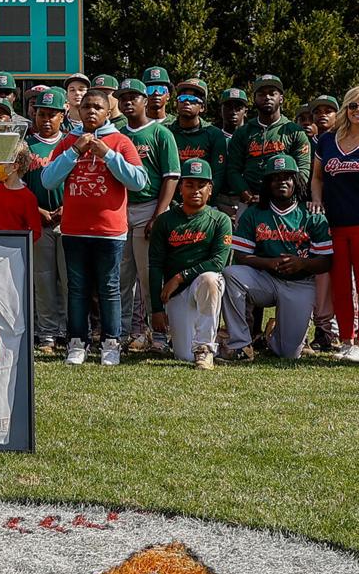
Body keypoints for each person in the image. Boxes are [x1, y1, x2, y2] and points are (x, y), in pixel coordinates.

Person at [37, 86, 147, 366]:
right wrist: (75, 151)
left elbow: (138, 181)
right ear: (77, 111)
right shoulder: (69, 142)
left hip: (110, 231)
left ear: (108, 111)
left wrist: (107, 154)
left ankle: (111, 342)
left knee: (110, 287)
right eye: (86, 107)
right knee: (77, 288)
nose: (91, 112)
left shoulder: (120, 141)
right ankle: (77, 341)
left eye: (97, 107)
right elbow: (48, 179)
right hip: (74, 229)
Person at [309, 84, 359, 363]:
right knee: (341, 285)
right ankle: (346, 340)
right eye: (354, 105)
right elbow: (317, 177)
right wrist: (317, 201)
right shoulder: (328, 141)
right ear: (346, 108)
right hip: (334, 226)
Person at [222, 155, 333, 360]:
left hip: (300, 283)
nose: (281, 182)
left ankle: (273, 334)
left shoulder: (311, 214)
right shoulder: (255, 213)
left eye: (287, 177)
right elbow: (241, 256)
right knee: (231, 274)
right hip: (266, 279)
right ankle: (241, 344)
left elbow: (326, 261)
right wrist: (268, 263)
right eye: (274, 178)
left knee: (288, 354)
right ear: (267, 184)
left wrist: (302, 263)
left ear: (296, 182)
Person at [115, 78, 180, 353]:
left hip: (148, 207)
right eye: (123, 97)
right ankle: (123, 333)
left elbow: (171, 176)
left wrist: (159, 213)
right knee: (120, 276)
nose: (128, 102)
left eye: (134, 97)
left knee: (148, 275)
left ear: (145, 101)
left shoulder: (160, 133)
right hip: (118, 208)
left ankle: (159, 334)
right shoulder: (116, 132)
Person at [148, 158, 232, 369]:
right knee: (184, 356)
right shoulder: (165, 221)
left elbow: (218, 262)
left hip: (200, 285)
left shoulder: (220, 219)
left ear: (210, 189)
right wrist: (157, 309)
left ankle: (205, 348)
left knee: (211, 279)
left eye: (201, 185)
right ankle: (216, 340)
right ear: (180, 188)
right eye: (190, 185)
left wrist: (179, 277)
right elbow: (155, 264)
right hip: (177, 294)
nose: (196, 190)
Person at [26, 87, 71, 352]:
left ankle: (68, 330)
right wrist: (37, 209)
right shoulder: (26, 146)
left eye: (52, 115)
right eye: (42, 113)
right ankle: (47, 333)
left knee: (68, 279)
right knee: (42, 279)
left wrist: (69, 206)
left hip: (68, 218)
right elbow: (17, 183)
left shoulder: (69, 143)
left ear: (62, 116)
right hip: (38, 217)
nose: (46, 119)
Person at [225, 75, 311, 205]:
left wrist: (285, 195)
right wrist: (246, 194)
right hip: (250, 201)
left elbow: (303, 170)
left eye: (272, 93)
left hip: (286, 201)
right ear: (254, 99)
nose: (267, 97)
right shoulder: (242, 132)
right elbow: (233, 170)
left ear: (281, 98)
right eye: (261, 94)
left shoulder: (295, 131)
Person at [305, 93, 341, 353]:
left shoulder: (342, 142)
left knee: (338, 276)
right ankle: (317, 330)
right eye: (318, 111)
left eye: (329, 110)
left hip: (339, 215)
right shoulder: (304, 142)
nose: (322, 115)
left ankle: (332, 332)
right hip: (310, 216)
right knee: (314, 276)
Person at [168, 78, 228, 204]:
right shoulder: (166, 132)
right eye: (182, 99)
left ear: (202, 107)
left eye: (193, 100)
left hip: (204, 203)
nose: (187, 103)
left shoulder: (214, 134)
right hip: (172, 203)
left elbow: (218, 174)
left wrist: (204, 201)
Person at [0, 142, 41, 243]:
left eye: (0, 163)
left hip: (14, 251)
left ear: (14, 167)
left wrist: (19, 244)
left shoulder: (28, 197)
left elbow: (36, 231)